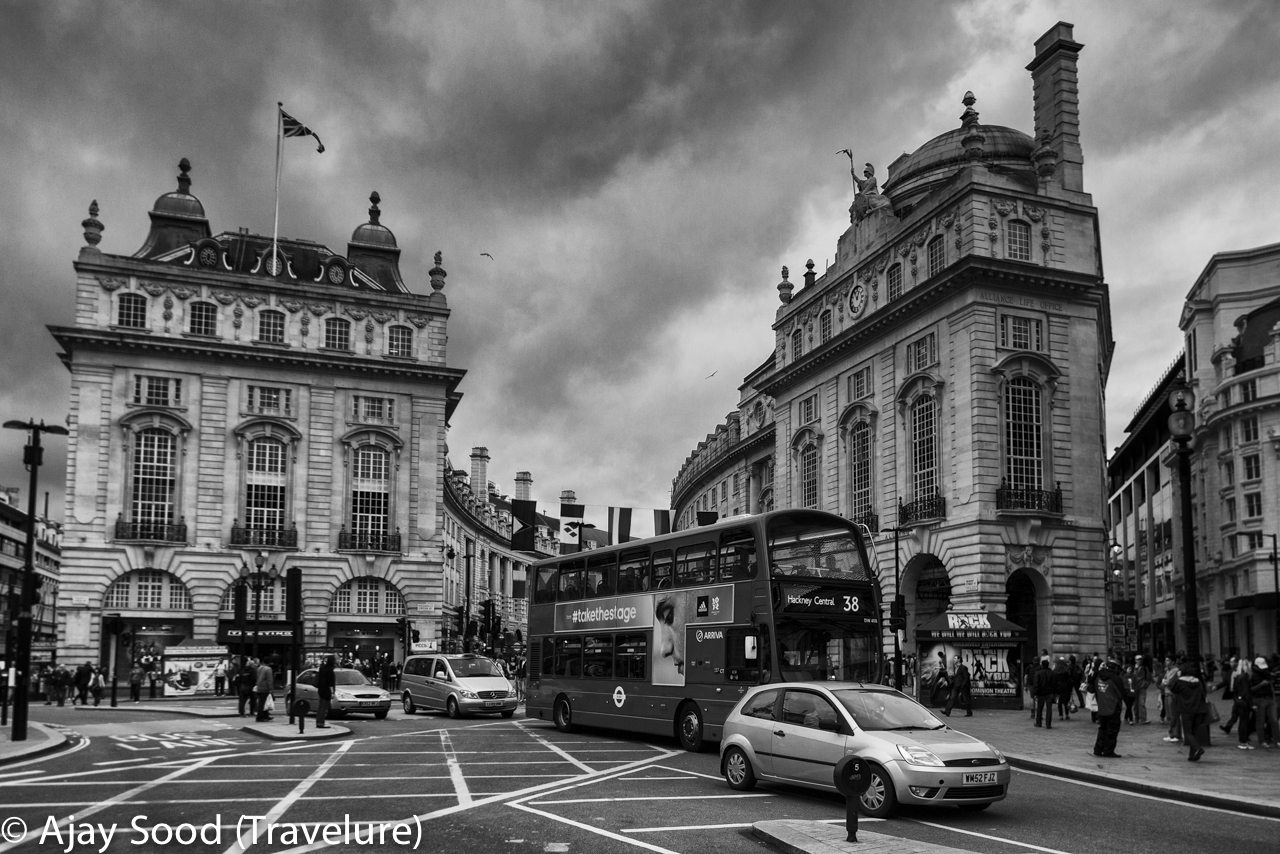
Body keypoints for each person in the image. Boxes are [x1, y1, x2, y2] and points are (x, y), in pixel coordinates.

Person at [1170, 656, 1209, 761]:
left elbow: (1172, 688)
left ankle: (1198, 748)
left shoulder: (1180, 682)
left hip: (1186, 710)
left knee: (1187, 733)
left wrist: (1177, 677)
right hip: (1198, 710)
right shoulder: (1197, 681)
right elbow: (1203, 693)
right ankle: (1192, 755)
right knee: (1194, 732)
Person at [1092, 659, 1127, 758]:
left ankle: (1098, 749)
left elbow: (1094, 688)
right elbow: (1121, 694)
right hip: (1113, 707)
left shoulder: (1098, 675)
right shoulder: (1115, 679)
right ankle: (1108, 751)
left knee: (1102, 729)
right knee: (1112, 730)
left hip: (1102, 707)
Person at [1224, 656, 1255, 749]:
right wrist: (1251, 704)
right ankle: (1243, 742)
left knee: (1242, 721)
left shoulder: (1238, 676)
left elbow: (1235, 690)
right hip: (1243, 702)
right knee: (1244, 722)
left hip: (1239, 700)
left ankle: (1243, 741)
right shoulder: (1244, 677)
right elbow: (1246, 692)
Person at [1250, 656, 1277, 748]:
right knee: (1260, 721)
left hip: (1269, 697)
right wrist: (1261, 684)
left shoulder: (1266, 672)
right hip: (1259, 699)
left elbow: (1271, 681)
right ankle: (1262, 741)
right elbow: (1250, 689)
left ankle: (1276, 740)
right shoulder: (1253, 675)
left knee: (1274, 720)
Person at [1160, 656, 1183, 743]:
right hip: (1166, 693)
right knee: (1169, 715)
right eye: (1165, 660)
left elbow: (1169, 682)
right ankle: (1171, 733)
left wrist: (1165, 682)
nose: (1166, 662)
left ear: (1173, 662)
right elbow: (1163, 682)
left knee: (1174, 715)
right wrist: (1164, 682)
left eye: (1168, 660)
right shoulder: (1167, 670)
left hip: (1172, 694)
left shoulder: (1175, 670)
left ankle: (1176, 734)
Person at [1032, 657, 1056, 728]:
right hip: (1049, 693)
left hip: (1041, 693)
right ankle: (1048, 724)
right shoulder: (1052, 673)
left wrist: (1035, 693)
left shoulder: (1038, 673)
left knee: (1039, 708)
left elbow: (1036, 683)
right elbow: (1054, 683)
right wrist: (1054, 692)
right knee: (1049, 709)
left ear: (1042, 665)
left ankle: (1038, 722)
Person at [1131, 655, 1152, 724]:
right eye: (1137, 659)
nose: (1139, 661)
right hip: (1134, 688)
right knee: (1135, 704)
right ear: (1135, 660)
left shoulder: (1145, 668)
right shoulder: (1132, 668)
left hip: (1142, 688)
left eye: (1140, 659)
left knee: (1141, 703)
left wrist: (1145, 685)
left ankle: (1143, 719)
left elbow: (1148, 678)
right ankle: (1136, 718)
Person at [315, 655, 335, 729]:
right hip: (326, 691)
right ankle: (321, 723)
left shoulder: (322, 668)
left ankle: (319, 722)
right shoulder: (330, 670)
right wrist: (332, 692)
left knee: (321, 707)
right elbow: (331, 683)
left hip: (321, 690)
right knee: (324, 708)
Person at [1052, 657, 1073, 721]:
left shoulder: (1055, 670)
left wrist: (1054, 689)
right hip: (1066, 688)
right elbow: (1069, 680)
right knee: (1066, 702)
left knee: (1059, 702)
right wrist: (1070, 688)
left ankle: (1061, 715)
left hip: (1058, 688)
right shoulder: (1066, 670)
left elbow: (1054, 680)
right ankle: (1067, 715)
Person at [255, 657, 274, 722]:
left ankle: (265, 715)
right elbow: (269, 680)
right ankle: (260, 717)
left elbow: (257, 677)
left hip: (259, 687)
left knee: (262, 702)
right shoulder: (268, 669)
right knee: (262, 703)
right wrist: (271, 689)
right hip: (265, 688)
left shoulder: (259, 668)